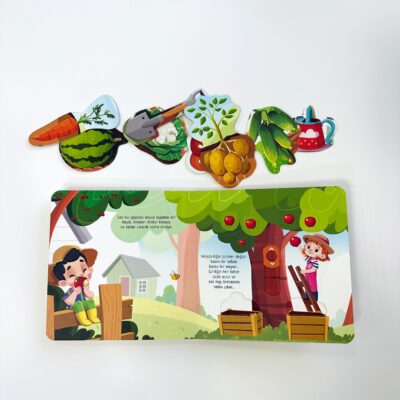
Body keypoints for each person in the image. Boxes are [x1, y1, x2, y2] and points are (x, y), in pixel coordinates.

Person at [49, 245, 101, 326]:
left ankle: (93, 317)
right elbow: (68, 302)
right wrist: (75, 293)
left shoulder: (83, 287)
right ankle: (83, 319)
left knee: (90, 302)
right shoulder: (71, 291)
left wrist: (86, 290)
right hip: (74, 307)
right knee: (78, 304)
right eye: (72, 275)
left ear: (90, 270)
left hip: (83, 305)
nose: (80, 275)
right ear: (63, 283)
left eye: (84, 269)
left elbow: (91, 296)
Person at [299, 234, 334, 302]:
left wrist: (304, 271)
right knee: (307, 286)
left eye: (316, 250)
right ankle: (307, 297)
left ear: (322, 255)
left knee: (312, 287)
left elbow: (313, 270)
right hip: (307, 278)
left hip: (312, 279)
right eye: (308, 247)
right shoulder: (309, 260)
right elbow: (303, 255)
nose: (310, 250)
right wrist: (298, 246)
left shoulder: (315, 262)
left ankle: (314, 297)